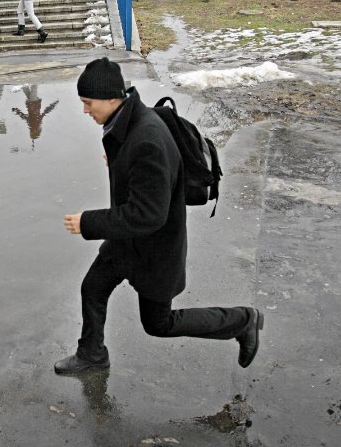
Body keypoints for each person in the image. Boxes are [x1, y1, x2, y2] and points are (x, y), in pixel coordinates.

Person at [57, 57, 264, 374]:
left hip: (155, 249)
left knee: (159, 323)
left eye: (88, 103)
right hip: (127, 242)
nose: (86, 111)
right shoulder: (131, 120)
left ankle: (243, 320)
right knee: (93, 288)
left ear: (111, 98)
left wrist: (87, 222)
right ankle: (92, 354)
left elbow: (148, 215)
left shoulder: (147, 139)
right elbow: (139, 173)